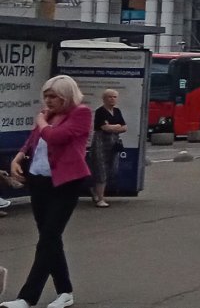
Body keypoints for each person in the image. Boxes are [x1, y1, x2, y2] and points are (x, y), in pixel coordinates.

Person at [2, 75, 92, 308]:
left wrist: (42, 122)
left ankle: (27, 297)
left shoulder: (81, 113)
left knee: (48, 238)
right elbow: (33, 140)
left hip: (66, 182)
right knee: (50, 239)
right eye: (46, 96)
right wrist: (18, 158)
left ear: (67, 96)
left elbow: (56, 137)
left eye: (54, 96)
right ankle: (65, 291)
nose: (48, 101)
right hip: (39, 181)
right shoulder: (48, 115)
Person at [90, 89, 127, 207]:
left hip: (114, 142)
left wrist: (114, 127)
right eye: (110, 97)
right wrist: (117, 126)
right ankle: (101, 199)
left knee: (112, 169)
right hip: (100, 143)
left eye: (114, 97)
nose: (112, 99)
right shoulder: (100, 111)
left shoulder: (117, 111)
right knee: (101, 169)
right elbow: (105, 128)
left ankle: (95, 190)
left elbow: (124, 127)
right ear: (104, 99)